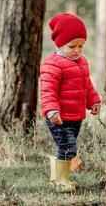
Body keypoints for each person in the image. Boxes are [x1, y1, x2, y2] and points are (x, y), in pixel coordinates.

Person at [39, 13, 101, 192]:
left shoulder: (82, 62)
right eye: (71, 46)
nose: (77, 50)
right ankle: (61, 181)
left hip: (76, 116)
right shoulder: (53, 64)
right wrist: (51, 110)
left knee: (65, 145)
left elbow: (87, 86)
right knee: (68, 147)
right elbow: (47, 90)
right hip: (59, 116)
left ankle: (58, 178)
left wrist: (94, 101)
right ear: (58, 44)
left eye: (81, 46)